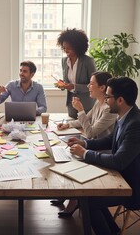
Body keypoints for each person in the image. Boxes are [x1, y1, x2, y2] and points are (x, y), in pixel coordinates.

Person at [67, 77, 140, 235]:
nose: (105, 101)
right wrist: (85, 144)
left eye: (108, 97)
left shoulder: (136, 124)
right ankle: (113, 230)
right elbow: (109, 140)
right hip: (121, 177)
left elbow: (118, 161)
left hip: (133, 186)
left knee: (88, 200)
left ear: (120, 100)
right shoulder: (126, 115)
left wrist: (85, 153)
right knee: (88, 195)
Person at [54, 71, 118, 217]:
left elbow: (90, 132)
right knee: (67, 152)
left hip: (103, 152)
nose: (88, 86)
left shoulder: (109, 109)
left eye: (91, 83)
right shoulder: (99, 103)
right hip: (94, 145)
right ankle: (69, 196)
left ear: (102, 88)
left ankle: (74, 200)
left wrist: (80, 110)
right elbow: (85, 120)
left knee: (72, 159)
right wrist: (67, 124)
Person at [57, 28, 97, 119]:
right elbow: (68, 82)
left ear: (78, 47)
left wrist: (74, 86)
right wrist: (63, 85)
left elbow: (94, 85)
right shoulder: (64, 61)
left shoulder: (88, 61)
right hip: (71, 103)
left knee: (85, 130)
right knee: (71, 128)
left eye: (69, 48)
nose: (66, 51)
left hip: (86, 105)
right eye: (64, 48)